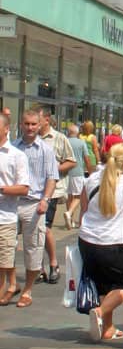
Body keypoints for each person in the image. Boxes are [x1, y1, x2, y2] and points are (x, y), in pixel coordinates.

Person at [78, 141, 123, 343]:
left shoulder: (91, 180)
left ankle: (108, 327)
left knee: (104, 286)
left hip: (88, 240)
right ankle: (100, 312)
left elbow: (83, 210)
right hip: (115, 243)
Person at [12, 109, 59, 308]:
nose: (30, 128)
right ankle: (11, 284)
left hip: (34, 204)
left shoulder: (46, 150)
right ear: (20, 124)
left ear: (40, 125)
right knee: (6, 247)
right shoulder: (12, 147)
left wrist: (45, 200)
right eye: (27, 124)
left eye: (33, 124)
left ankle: (27, 289)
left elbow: (52, 177)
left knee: (33, 248)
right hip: (10, 204)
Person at [37, 109, 76, 283]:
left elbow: (71, 161)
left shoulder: (59, 138)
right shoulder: (28, 140)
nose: (32, 125)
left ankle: (53, 263)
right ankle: (38, 267)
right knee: (33, 231)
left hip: (52, 190)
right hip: (31, 191)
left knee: (44, 228)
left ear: (46, 120)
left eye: (36, 121)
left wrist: (54, 169)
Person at [0, 112, 29, 305]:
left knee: (3, 263)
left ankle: (10, 286)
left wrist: (1, 189)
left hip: (5, 219)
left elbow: (24, 188)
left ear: (6, 129)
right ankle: (11, 285)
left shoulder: (16, 156)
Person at [63, 122, 93, 231]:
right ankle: (69, 212)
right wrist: (90, 171)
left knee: (69, 195)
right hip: (78, 171)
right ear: (77, 132)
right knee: (78, 196)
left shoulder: (64, 142)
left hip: (65, 172)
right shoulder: (81, 143)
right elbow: (86, 158)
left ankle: (70, 219)